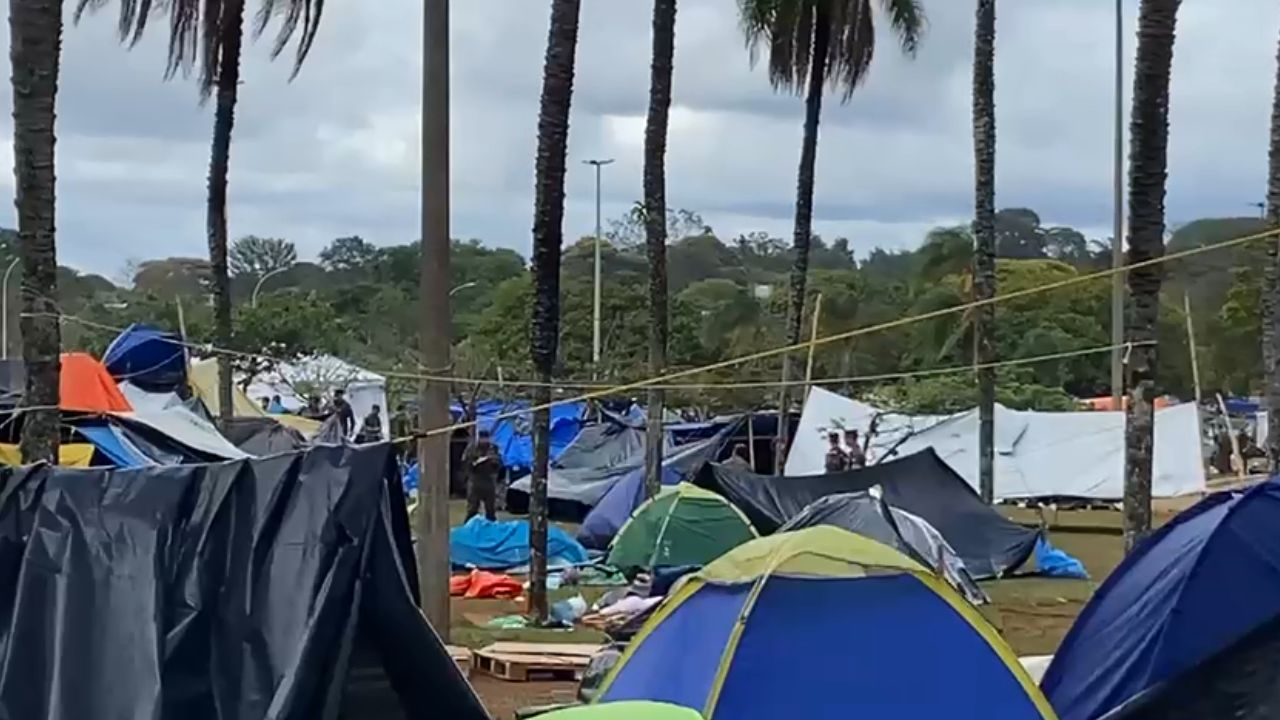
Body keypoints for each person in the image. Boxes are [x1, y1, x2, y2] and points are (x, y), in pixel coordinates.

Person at [463, 429, 503, 521]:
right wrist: (475, 462)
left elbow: (499, 462)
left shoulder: (493, 448)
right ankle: (469, 529)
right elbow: (465, 462)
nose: (484, 441)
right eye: (482, 438)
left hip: (489, 480)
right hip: (475, 480)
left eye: (486, 438)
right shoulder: (472, 448)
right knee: (472, 509)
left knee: (490, 510)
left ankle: (491, 529)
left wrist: (493, 461)